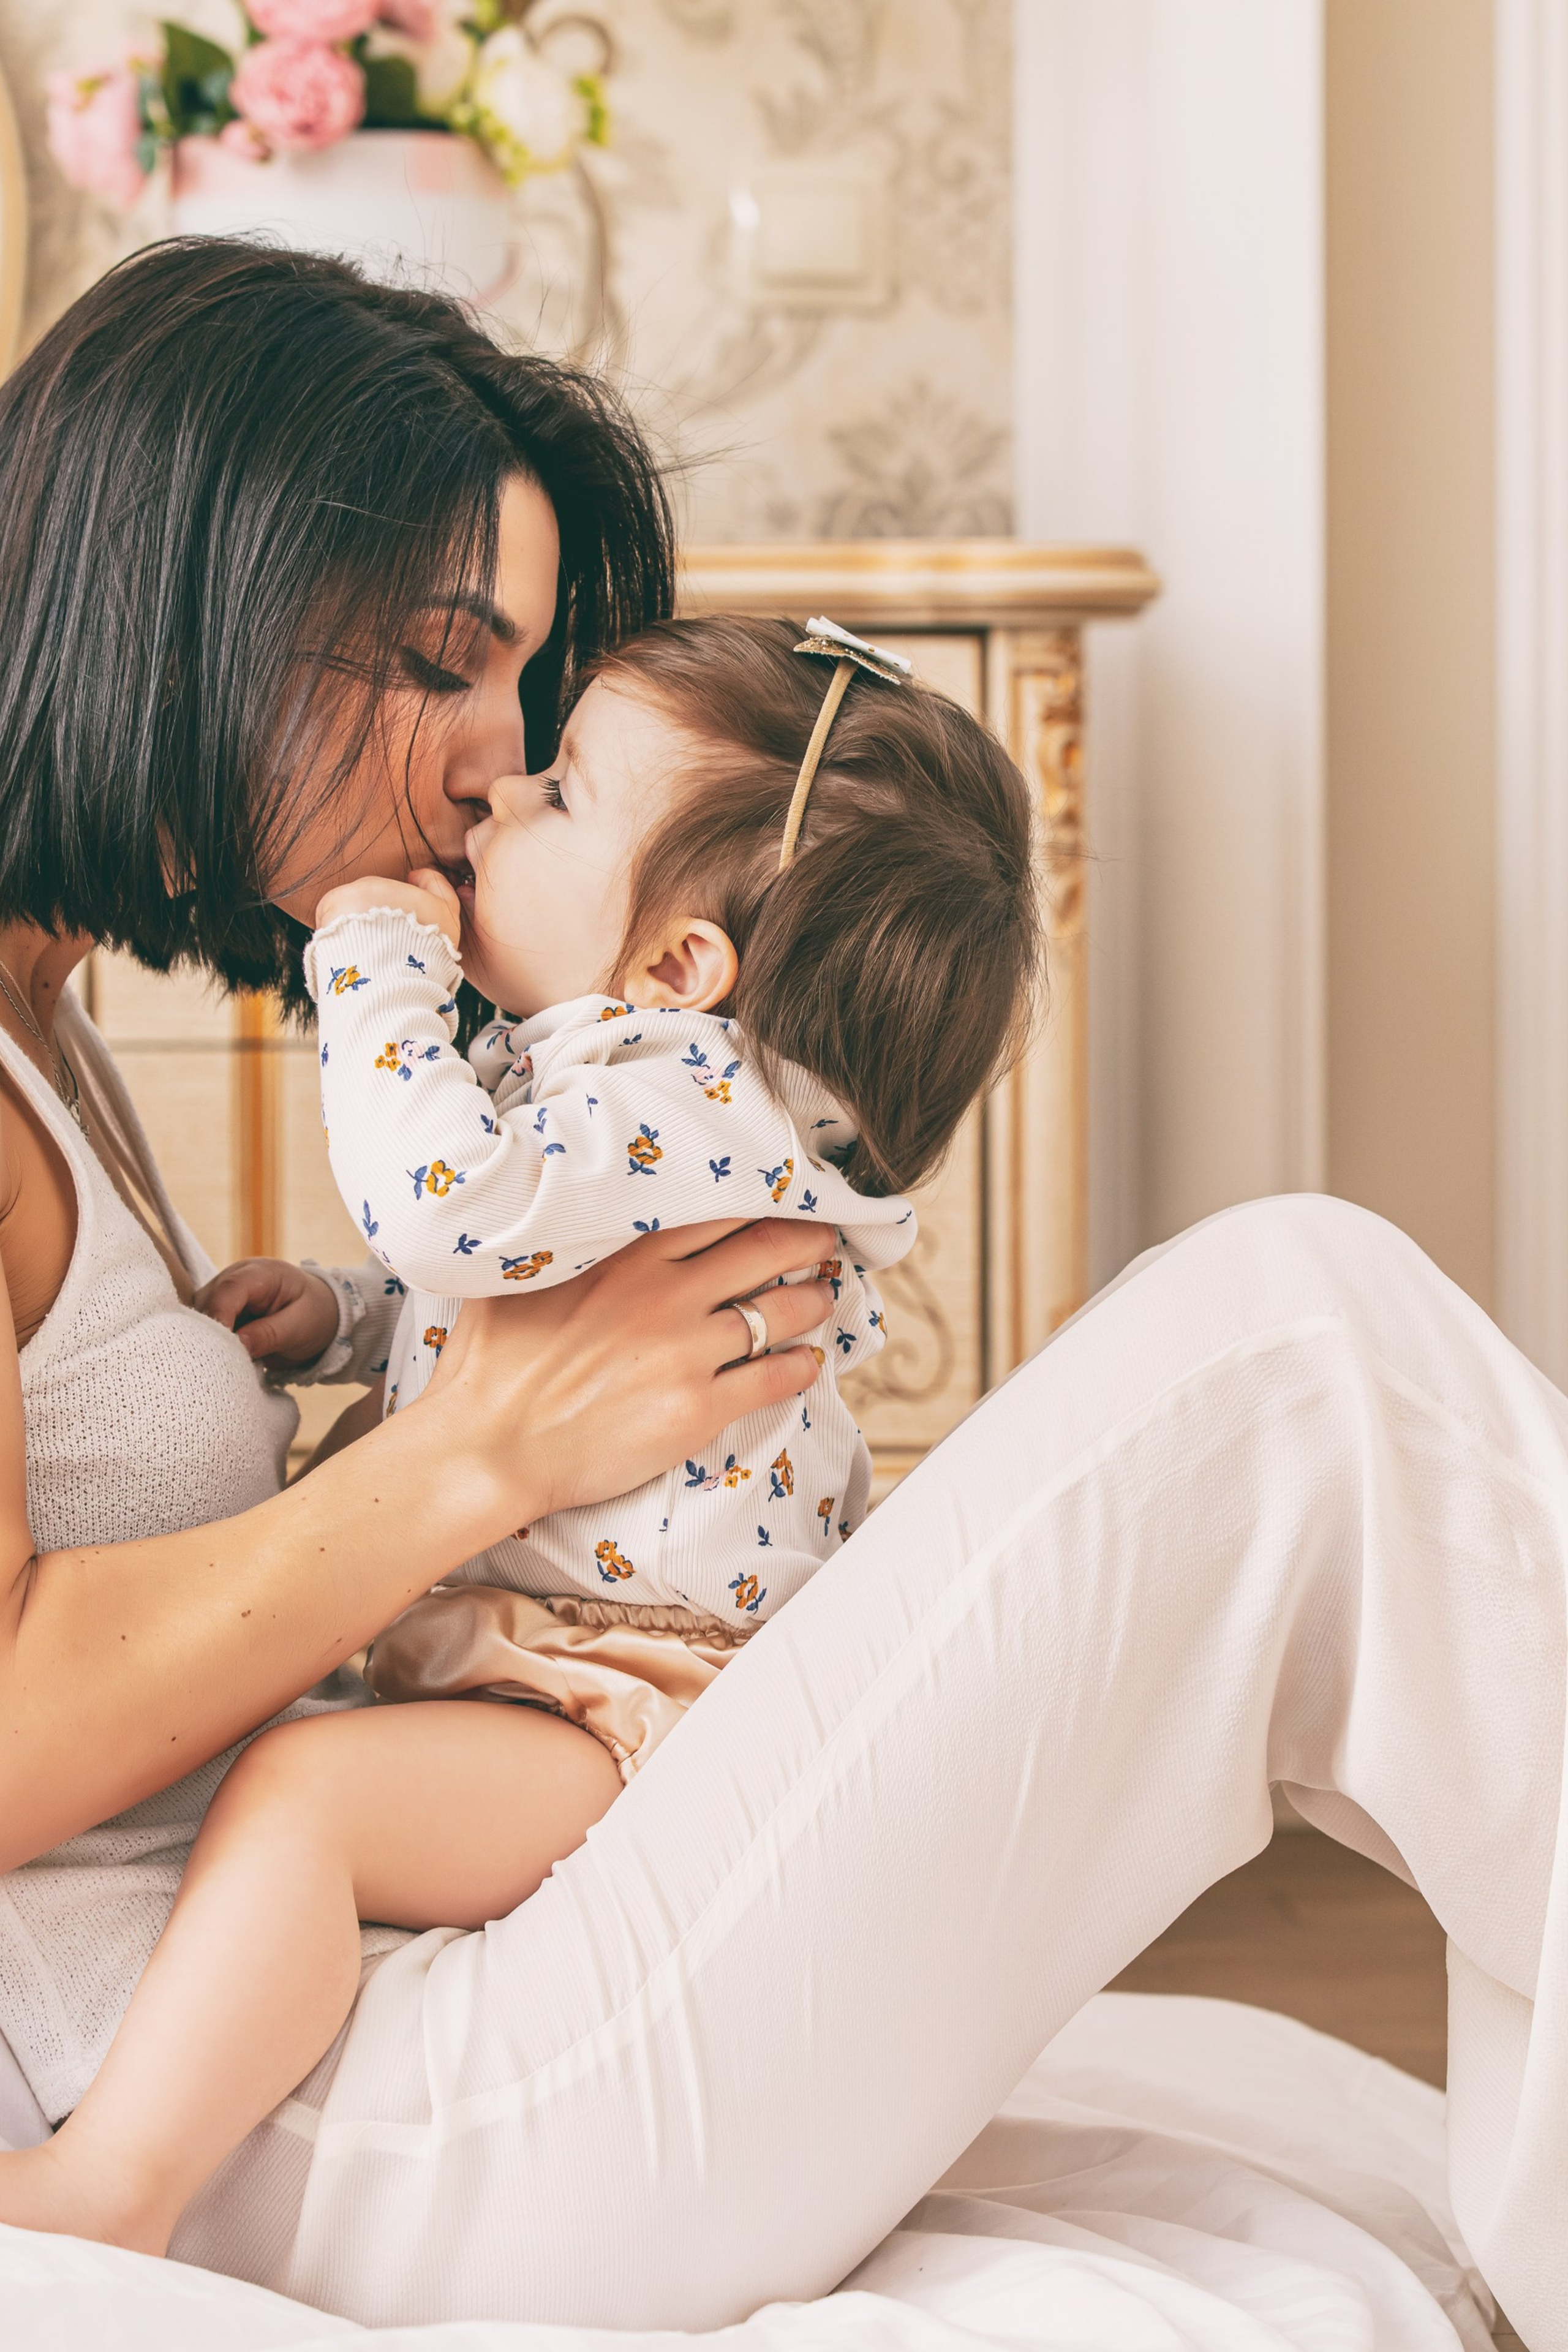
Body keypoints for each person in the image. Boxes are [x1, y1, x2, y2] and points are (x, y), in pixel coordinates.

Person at [0, 241, 1562, 2352]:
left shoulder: (52, 1029)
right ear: (203, 582)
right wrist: (486, 1453)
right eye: (450, 665)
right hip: (295, 2104)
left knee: (1319, 1368)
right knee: (1308, 1355)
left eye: (527, 704)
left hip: (376, 1984)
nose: (489, 763)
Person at [0, 611, 1036, 2252]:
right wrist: (341, 1321)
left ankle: (112, 2191)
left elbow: (450, 1217)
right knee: (310, 1788)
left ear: (683, 967)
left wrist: (368, 962)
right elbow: (505, 1293)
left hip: (620, 1687)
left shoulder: (674, 1083)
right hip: (587, 1666)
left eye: (558, 791)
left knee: (305, 1801)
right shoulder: (670, 1103)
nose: (491, 791)